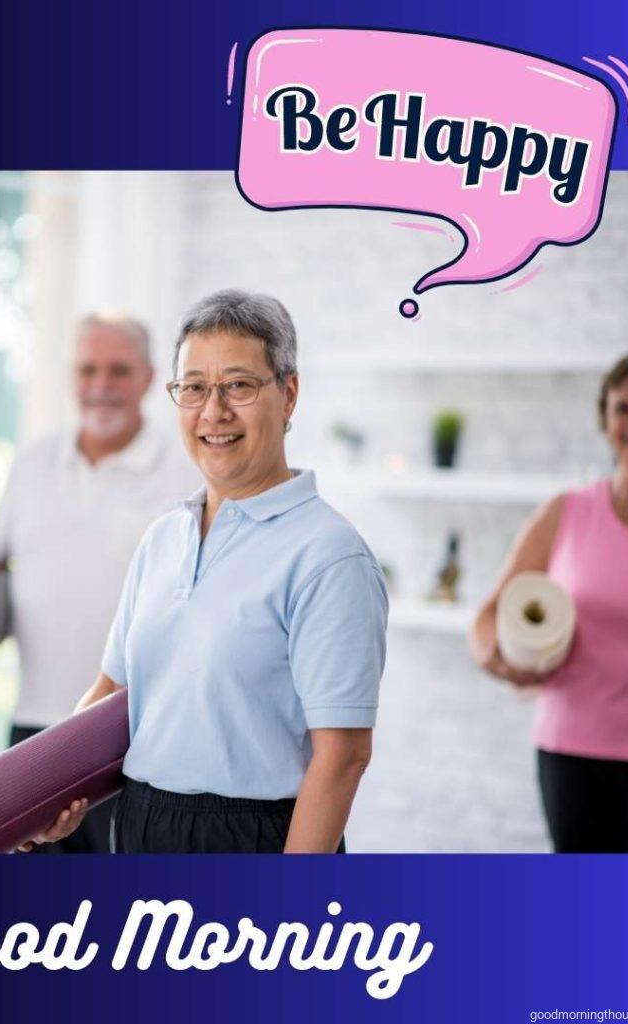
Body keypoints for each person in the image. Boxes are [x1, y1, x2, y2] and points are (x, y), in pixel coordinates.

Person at [28, 289, 388, 854]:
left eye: (239, 386)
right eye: (194, 387)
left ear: (288, 394)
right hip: (141, 823)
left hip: (255, 839)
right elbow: (113, 689)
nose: (213, 412)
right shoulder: (163, 538)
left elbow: (343, 756)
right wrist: (48, 795)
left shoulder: (328, 555)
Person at [0, 311, 198, 853]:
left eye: (118, 371)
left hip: (137, 738)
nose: (101, 387)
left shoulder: (185, 470)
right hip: (36, 731)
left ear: (147, 377)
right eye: (88, 370)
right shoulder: (33, 463)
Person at [470, 349, 628, 853]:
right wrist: (500, 661)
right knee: (582, 909)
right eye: (622, 408)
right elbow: (489, 615)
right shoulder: (567, 513)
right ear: (604, 419)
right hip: (572, 750)